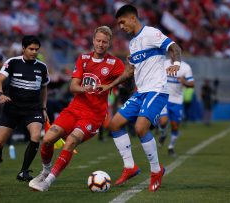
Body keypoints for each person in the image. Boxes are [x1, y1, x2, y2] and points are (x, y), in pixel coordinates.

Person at [28, 26, 125, 192]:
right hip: (74, 109)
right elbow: (73, 87)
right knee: (48, 139)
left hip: (93, 115)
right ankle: (45, 171)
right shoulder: (83, 58)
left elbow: (127, 80)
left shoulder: (115, 63)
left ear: (109, 44)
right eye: (98, 40)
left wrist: (110, 84)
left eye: (105, 42)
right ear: (93, 41)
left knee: (72, 140)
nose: (101, 44)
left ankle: (48, 181)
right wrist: (86, 89)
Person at [97, 4, 181, 192]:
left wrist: (175, 63)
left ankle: (156, 171)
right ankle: (130, 167)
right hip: (141, 92)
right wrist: (110, 86)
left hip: (157, 90)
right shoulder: (133, 43)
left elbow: (174, 47)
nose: (121, 26)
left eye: (122, 22)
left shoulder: (151, 33)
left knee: (140, 127)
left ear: (133, 18)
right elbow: (130, 71)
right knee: (114, 124)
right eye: (118, 23)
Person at [0, 35, 50, 187]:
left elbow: (44, 88)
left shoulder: (42, 67)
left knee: (36, 136)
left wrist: (44, 108)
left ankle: (23, 171)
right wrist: (0, 95)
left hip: (33, 109)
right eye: (31, 49)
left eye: (36, 49)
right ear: (23, 48)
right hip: (12, 108)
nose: (34, 52)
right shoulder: (12, 62)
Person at [158, 60, 194, 156]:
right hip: (165, 98)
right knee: (163, 122)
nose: (173, 53)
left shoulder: (186, 67)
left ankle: (171, 147)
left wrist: (184, 82)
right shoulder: (164, 63)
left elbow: (192, 84)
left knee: (175, 126)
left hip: (177, 100)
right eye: (171, 51)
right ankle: (163, 133)